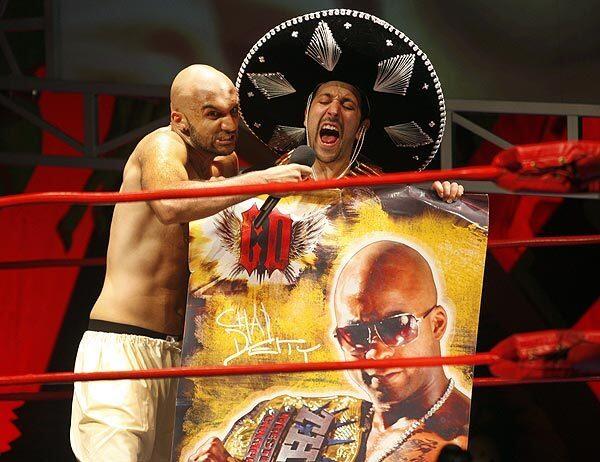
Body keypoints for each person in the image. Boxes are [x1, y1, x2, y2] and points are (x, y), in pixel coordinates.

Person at [69, 64, 312, 462]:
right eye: (212, 113)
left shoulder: (225, 167)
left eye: (233, 111)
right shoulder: (161, 146)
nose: (229, 124)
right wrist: (261, 180)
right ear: (178, 118)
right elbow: (170, 204)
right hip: (123, 344)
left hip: (180, 355)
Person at [189, 240, 469, 462]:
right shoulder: (289, 415)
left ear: (437, 325)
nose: (374, 353)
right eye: (356, 334)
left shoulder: (462, 441)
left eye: (397, 327)